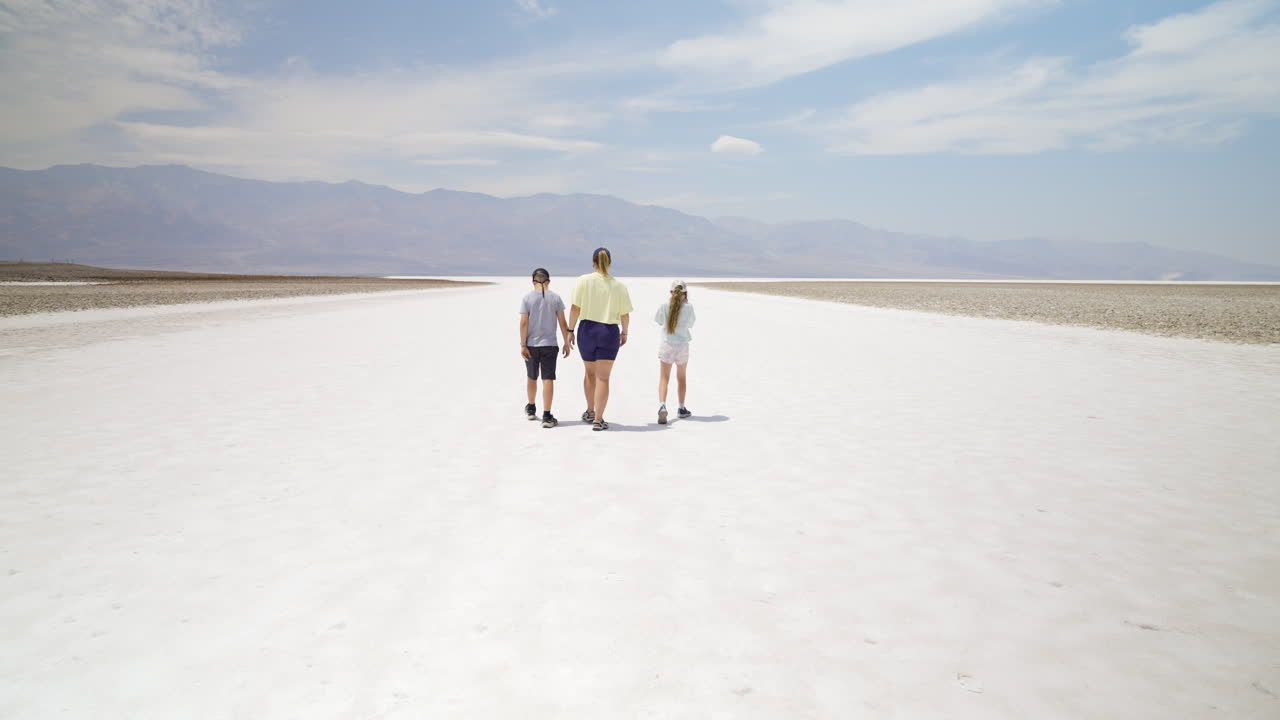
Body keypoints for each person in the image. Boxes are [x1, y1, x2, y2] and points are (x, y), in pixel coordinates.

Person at [566, 247, 633, 431]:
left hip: (587, 330)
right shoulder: (619, 286)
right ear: (609, 262)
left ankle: (590, 411)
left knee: (590, 374)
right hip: (609, 332)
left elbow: (574, 308)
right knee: (603, 378)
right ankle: (599, 419)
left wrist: (570, 330)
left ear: (593, 262)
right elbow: (625, 315)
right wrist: (625, 332)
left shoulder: (583, 281)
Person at [519, 267, 572, 428]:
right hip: (550, 345)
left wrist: (523, 345)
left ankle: (531, 407)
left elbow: (523, 323)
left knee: (532, 376)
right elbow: (562, 322)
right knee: (548, 378)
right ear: (548, 281)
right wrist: (566, 342)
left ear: (533, 281)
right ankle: (547, 415)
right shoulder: (555, 298)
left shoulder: (527, 298)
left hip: (531, 345)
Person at [654, 279, 696, 424]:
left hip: (667, 345)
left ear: (671, 292)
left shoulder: (664, 306)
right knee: (681, 378)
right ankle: (681, 408)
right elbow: (691, 324)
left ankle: (662, 405)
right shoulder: (689, 308)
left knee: (664, 378)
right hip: (682, 346)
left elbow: (658, 321)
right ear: (685, 294)